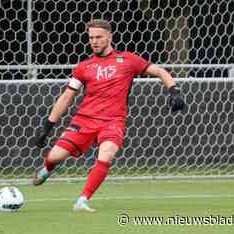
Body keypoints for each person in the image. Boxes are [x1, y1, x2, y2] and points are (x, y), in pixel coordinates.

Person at [33, 19, 185, 212]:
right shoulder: (84, 67)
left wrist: (173, 90)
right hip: (84, 120)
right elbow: (65, 98)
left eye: (99, 37)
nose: (94, 41)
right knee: (55, 156)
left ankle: (82, 200)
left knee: (107, 154)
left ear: (109, 37)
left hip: (113, 122)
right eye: (91, 38)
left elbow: (160, 71)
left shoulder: (128, 60)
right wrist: (47, 128)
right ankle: (47, 170)